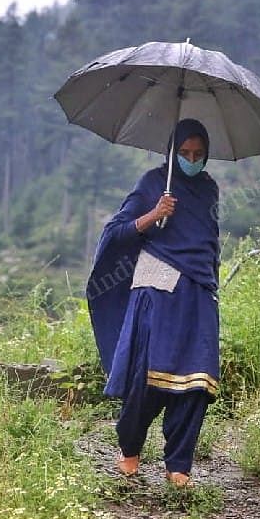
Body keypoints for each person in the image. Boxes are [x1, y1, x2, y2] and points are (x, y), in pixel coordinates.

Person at [86, 118, 220, 488]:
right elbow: (115, 233)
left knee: (197, 380)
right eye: (185, 153)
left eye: (199, 154)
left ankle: (178, 466)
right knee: (150, 375)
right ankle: (130, 450)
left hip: (198, 290)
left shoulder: (209, 190)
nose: (192, 159)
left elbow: (210, 241)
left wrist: (213, 285)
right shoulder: (152, 184)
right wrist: (153, 215)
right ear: (172, 152)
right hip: (157, 289)